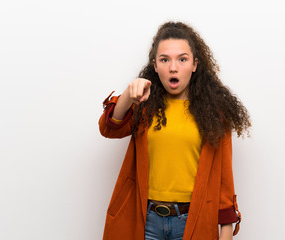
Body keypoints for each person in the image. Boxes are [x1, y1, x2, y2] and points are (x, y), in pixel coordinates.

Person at [98, 21, 251, 240]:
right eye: (164, 59)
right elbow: (108, 128)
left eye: (182, 59)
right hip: (144, 221)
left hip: (193, 221)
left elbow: (224, 180)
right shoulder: (144, 104)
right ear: (155, 65)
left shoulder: (215, 115)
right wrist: (126, 97)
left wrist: (226, 232)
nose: (173, 67)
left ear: (195, 64)